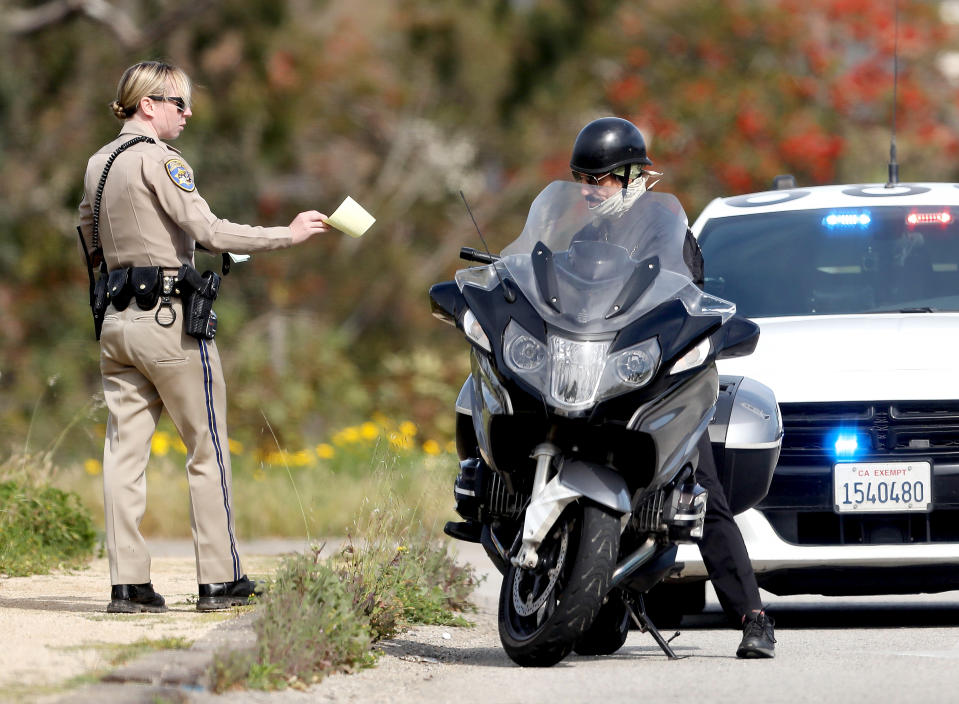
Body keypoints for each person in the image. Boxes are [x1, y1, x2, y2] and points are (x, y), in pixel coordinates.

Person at [77, 61, 331, 613]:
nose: (187, 113)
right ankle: (219, 580)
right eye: (178, 103)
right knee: (207, 447)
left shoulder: (98, 164)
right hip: (169, 324)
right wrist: (286, 235)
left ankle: (129, 586)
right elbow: (209, 230)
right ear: (148, 104)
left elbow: (88, 238)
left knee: (123, 455)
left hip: (116, 323)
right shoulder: (162, 162)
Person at [569, 116, 775, 659]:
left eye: (602, 180)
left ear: (635, 176)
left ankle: (753, 617)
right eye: (584, 181)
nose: (590, 192)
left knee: (700, 487)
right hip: (602, 380)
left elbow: (685, 305)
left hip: (662, 381)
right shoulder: (584, 239)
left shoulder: (669, 234)